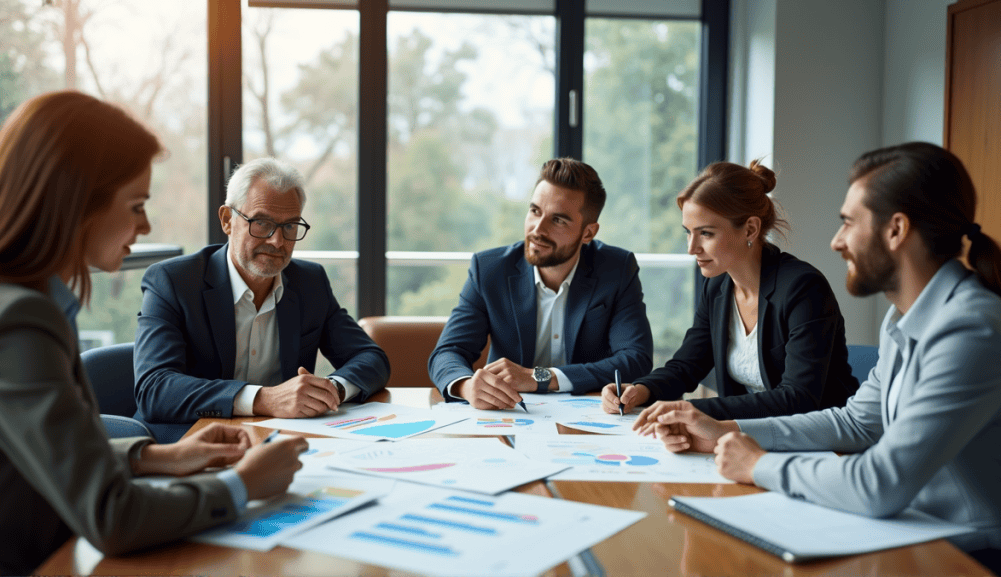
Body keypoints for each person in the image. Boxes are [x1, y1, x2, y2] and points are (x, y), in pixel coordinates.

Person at [641, 143, 1001, 576]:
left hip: (975, 556)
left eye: (847, 223)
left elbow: (881, 483)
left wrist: (759, 464)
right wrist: (724, 430)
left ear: (896, 230)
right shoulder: (905, 317)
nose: (836, 241)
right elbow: (856, 423)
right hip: (915, 530)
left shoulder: (971, 331)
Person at [0, 91, 308, 575]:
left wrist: (157, 457)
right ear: (77, 202)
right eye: (136, 204)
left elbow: (39, 452)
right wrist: (243, 485)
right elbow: (112, 516)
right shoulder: (20, 321)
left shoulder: (29, 304)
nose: (144, 225)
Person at [134, 157, 389, 442]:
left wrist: (331, 390)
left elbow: (371, 358)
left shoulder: (309, 282)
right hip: (190, 442)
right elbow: (154, 389)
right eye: (262, 223)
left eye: (290, 226)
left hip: (279, 441)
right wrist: (263, 399)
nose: (277, 241)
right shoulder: (173, 282)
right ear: (227, 220)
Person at [604, 160, 859, 420]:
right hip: (751, 435)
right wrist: (641, 389)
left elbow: (798, 398)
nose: (692, 248)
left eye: (706, 234)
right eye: (688, 233)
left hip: (823, 440)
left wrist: (693, 410)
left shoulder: (803, 289)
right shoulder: (717, 287)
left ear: (750, 229)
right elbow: (687, 365)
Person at [428, 157, 653, 409]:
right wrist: (467, 386)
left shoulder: (616, 269)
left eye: (558, 220)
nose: (537, 229)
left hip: (590, 419)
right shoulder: (490, 270)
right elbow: (448, 352)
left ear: (588, 233)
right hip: (509, 415)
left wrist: (540, 377)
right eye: (535, 211)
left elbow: (635, 359)